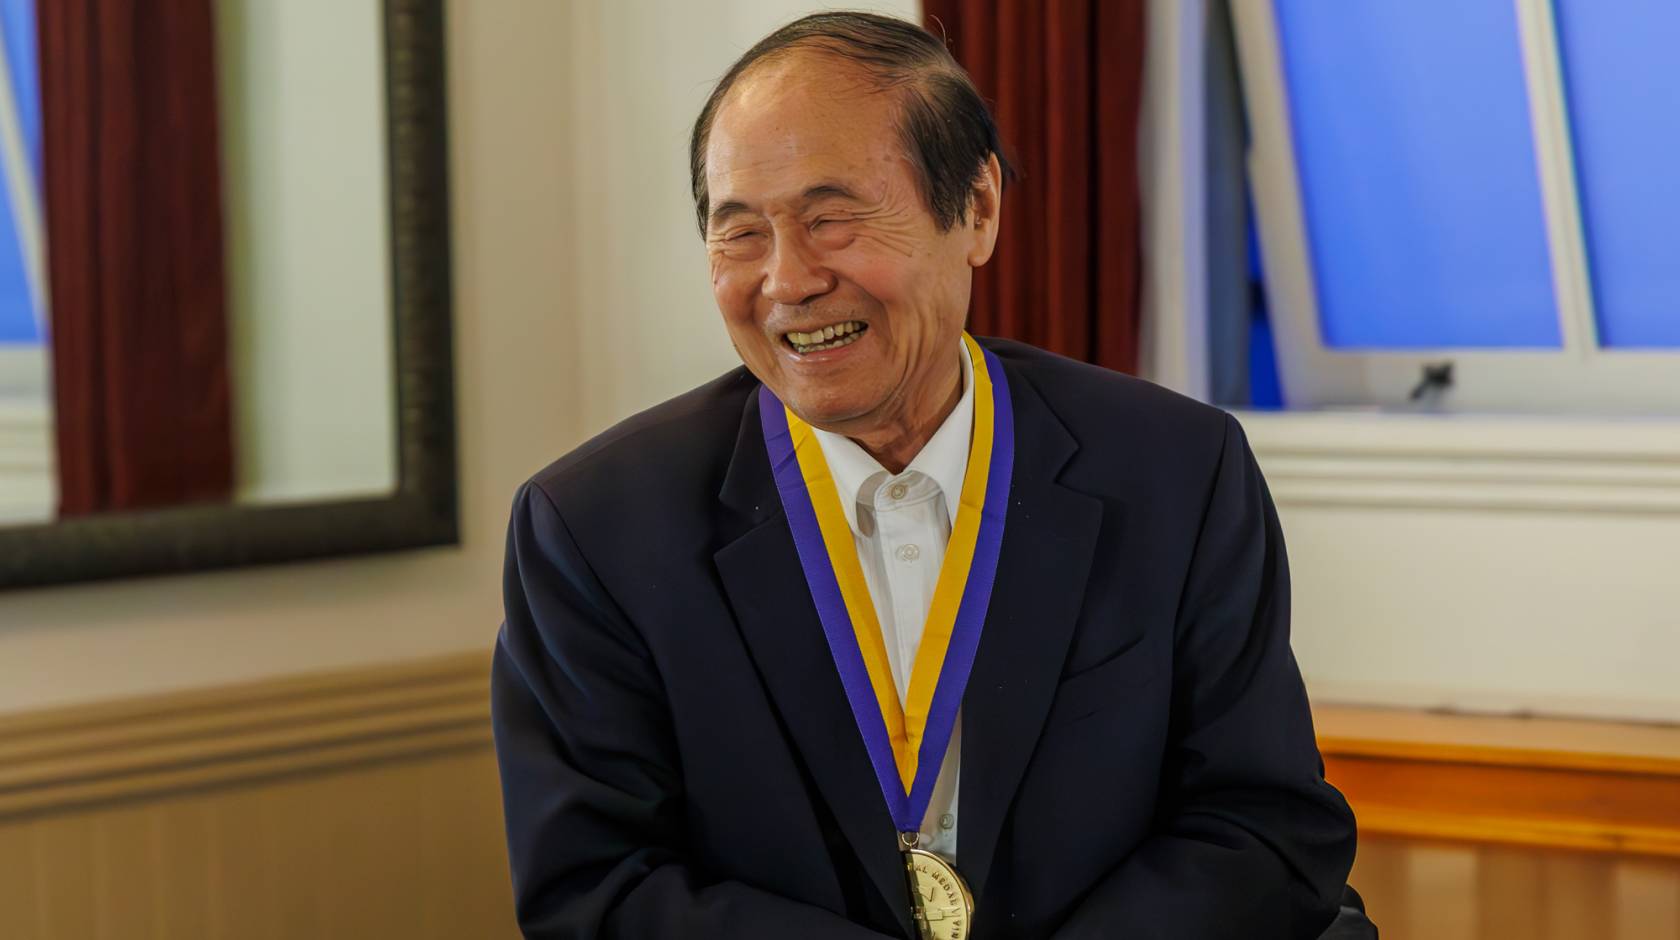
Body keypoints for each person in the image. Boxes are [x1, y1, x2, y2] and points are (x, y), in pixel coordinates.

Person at [491, 12, 1358, 939]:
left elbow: (1263, 826)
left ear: (976, 208)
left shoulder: (1176, 469)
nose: (787, 280)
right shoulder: (592, 528)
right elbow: (597, 890)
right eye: (740, 233)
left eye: (832, 219)